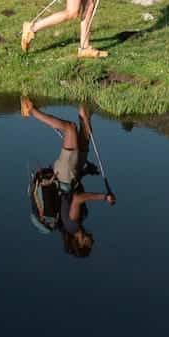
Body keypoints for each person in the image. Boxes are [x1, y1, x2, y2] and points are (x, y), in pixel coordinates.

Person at [21, 100, 115, 258]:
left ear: (79, 242)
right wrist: (86, 172)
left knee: (70, 129)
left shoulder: (72, 225)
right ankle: (83, 106)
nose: (91, 242)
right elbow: (72, 193)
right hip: (72, 175)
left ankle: (30, 111)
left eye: (87, 245)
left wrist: (104, 197)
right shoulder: (77, 223)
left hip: (64, 174)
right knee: (84, 136)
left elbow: (77, 199)